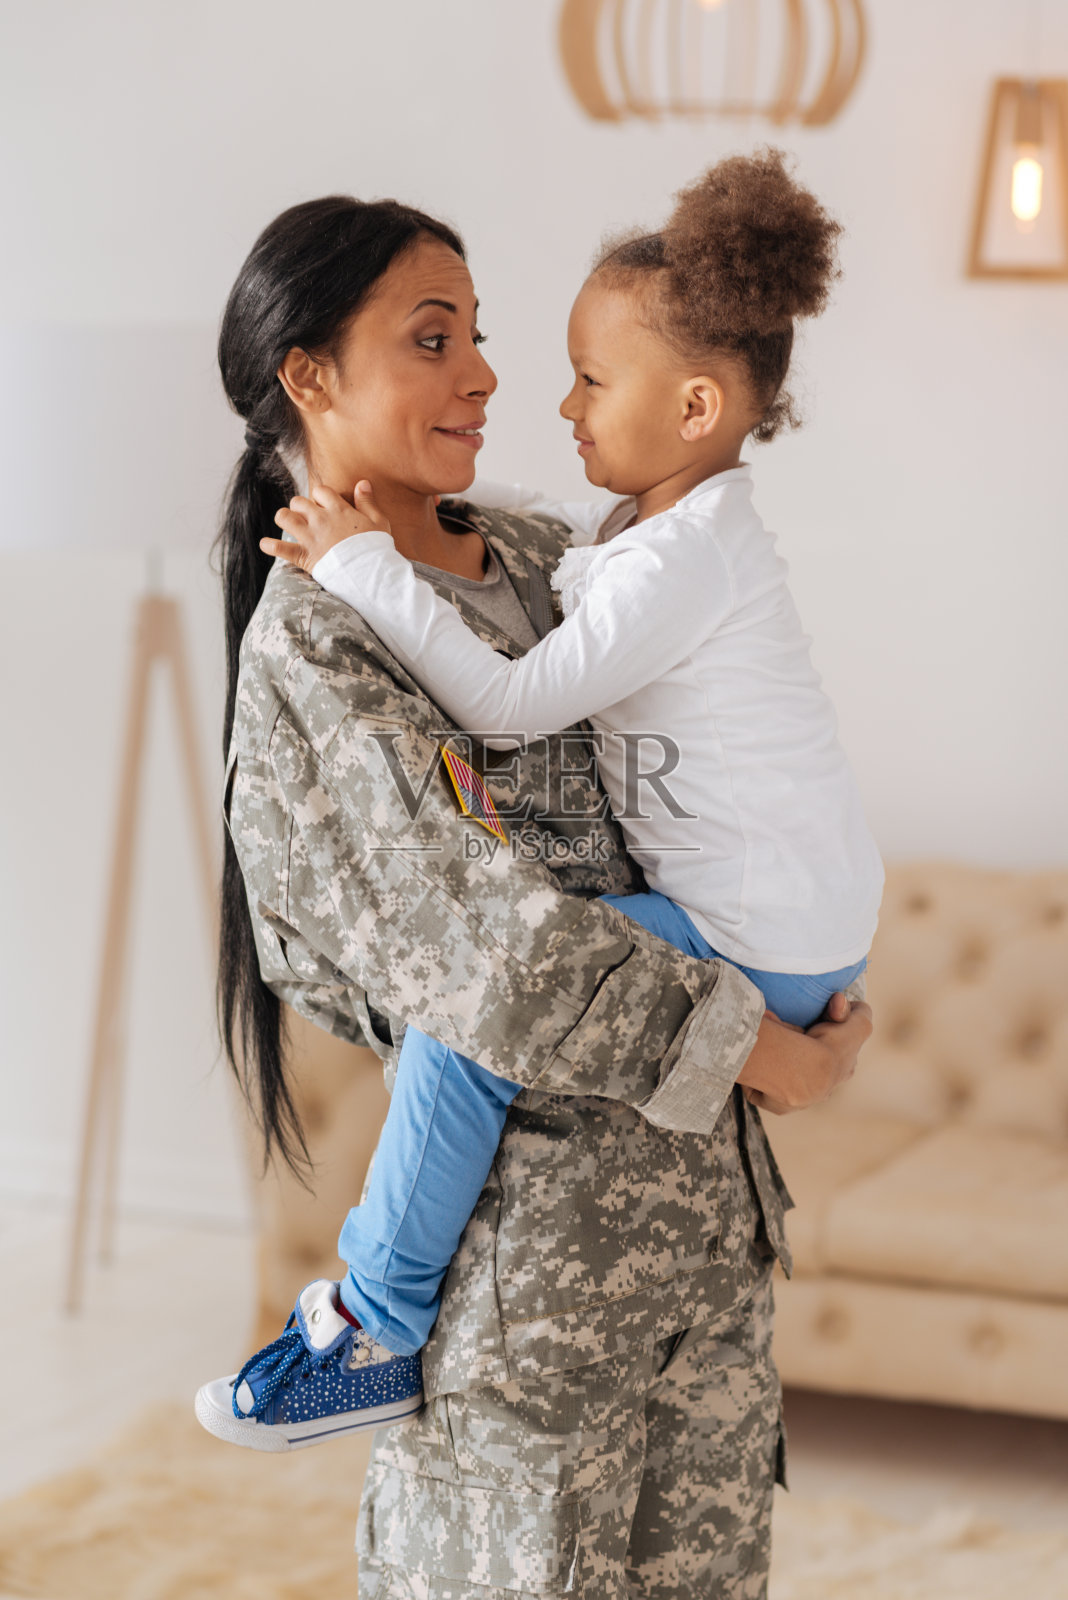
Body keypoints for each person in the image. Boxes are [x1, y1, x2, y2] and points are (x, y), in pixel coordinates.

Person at [201, 188, 873, 1596]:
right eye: (432, 339)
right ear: (309, 377)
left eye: (481, 335)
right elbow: (485, 956)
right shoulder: (320, 642)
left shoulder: (543, 557)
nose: (489, 376)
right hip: (529, 1300)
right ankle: (359, 1335)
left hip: (706, 1248)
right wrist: (766, 1052)